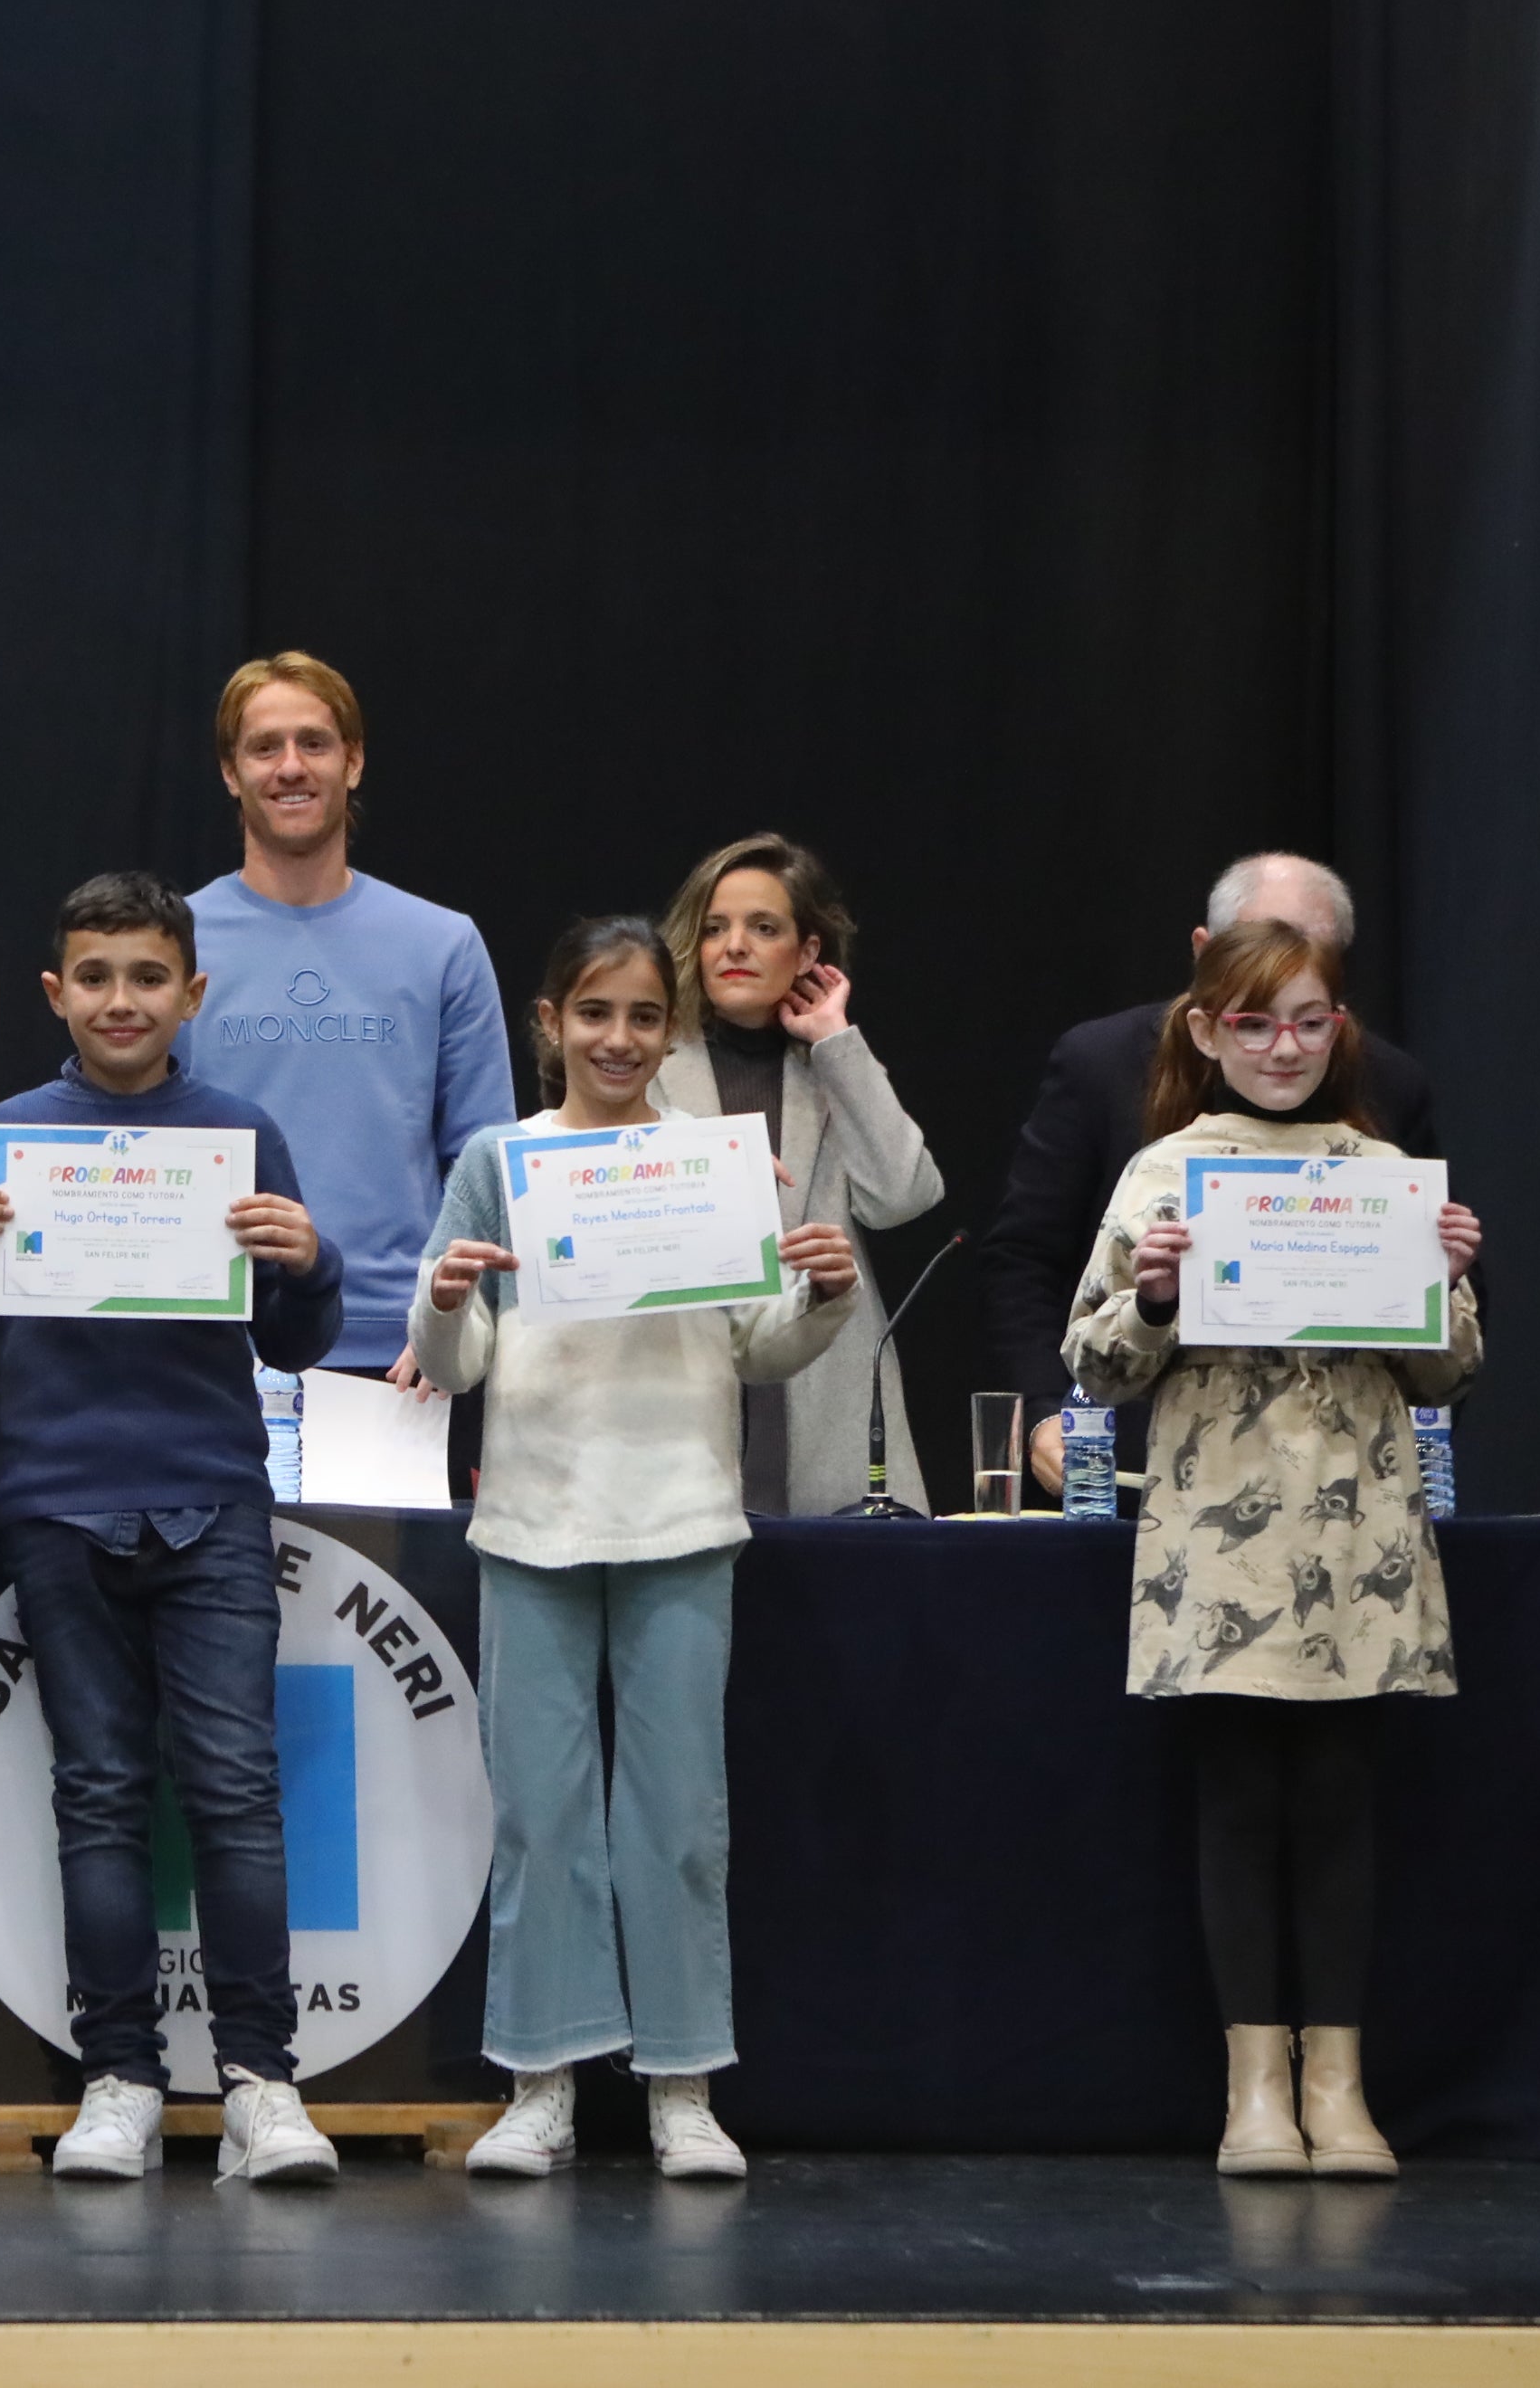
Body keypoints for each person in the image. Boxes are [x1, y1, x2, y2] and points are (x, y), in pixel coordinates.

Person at [0, 872, 351, 2187]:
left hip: (209, 1495)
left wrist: (307, 1263)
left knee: (234, 1796)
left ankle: (264, 2080)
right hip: (53, 1503)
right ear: (55, 993)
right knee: (97, 1797)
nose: (121, 1001)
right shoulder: (9, 1138)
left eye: (149, 978)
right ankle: (121, 2079)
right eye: (94, 977)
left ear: (192, 994)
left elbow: (294, 1337)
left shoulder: (242, 1134)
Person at [410, 919, 860, 2182]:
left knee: (677, 1821)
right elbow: (460, 1362)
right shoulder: (501, 1162)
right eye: (594, 1013)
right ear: (549, 1021)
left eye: (644, 1017)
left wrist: (818, 1299)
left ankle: (681, 2085)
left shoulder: (709, 1165)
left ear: (671, 1030)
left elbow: (754, 1344)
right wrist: (442, 1303)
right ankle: (540, 2081)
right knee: (543, 1821)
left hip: (679, 1519)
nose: (618, 1039)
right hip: (535, 1525)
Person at [1060, 918, 1484, 2180]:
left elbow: (1447, 1373)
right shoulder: (1162, 1176)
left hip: (1359, 1534)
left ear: (1338, 1029)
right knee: (1241, 1803)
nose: (1283, 1045)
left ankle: (1339, 2087)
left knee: (1344, 1804)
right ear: (1205, 1033)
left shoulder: (1382, 1167)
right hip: (1220, 1537)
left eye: (1307, 1020)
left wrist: (1447, 1274)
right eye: (1253, 1023)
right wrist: (1152, 1297)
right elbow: (1091, 1364)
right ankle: (1256, 2089)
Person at [984, 854, 1441, 1492]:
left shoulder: (1388, 1088)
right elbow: (1027, 1258)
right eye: (1258, 950)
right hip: (1143, 1466)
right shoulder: (1104, 1067)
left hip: (1340, 1478)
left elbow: (1438, 1334)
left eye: (1309, 959)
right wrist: (1042, 1414)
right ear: (1204, 953)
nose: (1284, 1038)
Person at [185, 652, 516, 1434]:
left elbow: (483, 1160)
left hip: (404, 1360)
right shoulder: (174, 944)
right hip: (216, 1346)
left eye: (315, 743)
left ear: (354, 761)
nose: (290, 767)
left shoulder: (442, 944)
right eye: (264, 747)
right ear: (231, 773)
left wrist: (448, 1330)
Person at [652, 833, 948, 1515]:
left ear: (808, 952)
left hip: (823, 1389)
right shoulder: (653, 1064)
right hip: (688, 1382)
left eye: (764, 928)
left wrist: (837, 1041)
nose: (734, 947)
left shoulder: (832, 1070)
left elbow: (904, 1197)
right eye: (715, 928)